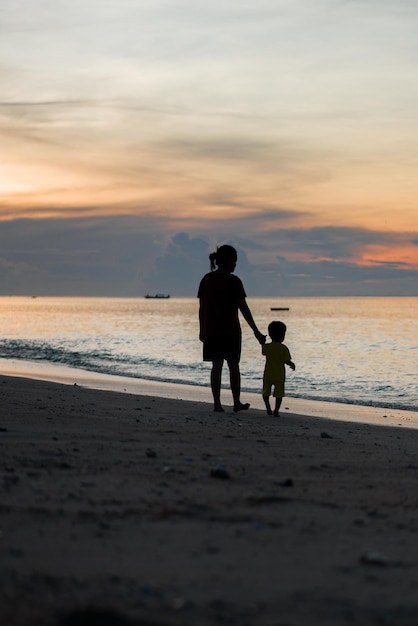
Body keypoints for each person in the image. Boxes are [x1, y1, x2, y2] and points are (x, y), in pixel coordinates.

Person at [198, 244, 265, 413]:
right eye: (234, 262)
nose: (235, 266)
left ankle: (217, 404)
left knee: (217, 367)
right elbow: (243, 308)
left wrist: (201, 330)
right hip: (230, 331)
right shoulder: (234, 281)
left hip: (211, 331)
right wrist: (256, 331)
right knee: (234, 366)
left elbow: (202, 308)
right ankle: (236, 402)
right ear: (228, 261)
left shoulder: (206, 279)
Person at [262, 320, 295, 416]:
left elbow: (263, 352)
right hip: (279, 376)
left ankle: (268, 408)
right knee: (279, 395)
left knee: (265, 393)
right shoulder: (284, 348)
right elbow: (287, 360)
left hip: (268, 374)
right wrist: (292, 364)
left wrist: (263, 343)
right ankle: (276, 410)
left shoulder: (268, 347)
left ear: (270, 334)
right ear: (283, 335)